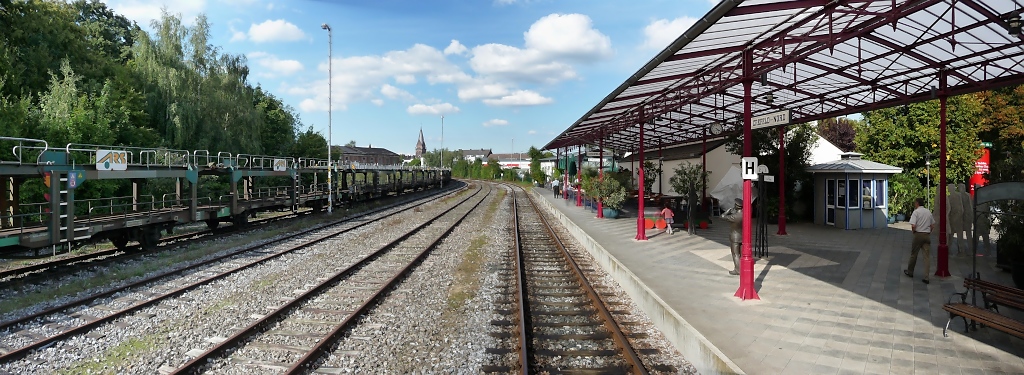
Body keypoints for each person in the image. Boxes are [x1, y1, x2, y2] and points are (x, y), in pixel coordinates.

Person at [905, 197, 934, 284]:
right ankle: (926, 277)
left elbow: (913, 225)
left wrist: (914, 232)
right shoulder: (928, 212)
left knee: (914, 254)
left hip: (918, 234)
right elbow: (932, 225)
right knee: (926, 257)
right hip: (926, 235)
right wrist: (928, 232)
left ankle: (910, 271)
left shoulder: (916, 212)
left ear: (917, 203)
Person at [721, 198, 743, 276]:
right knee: (741, 253)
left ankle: (737, 269)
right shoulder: (745, 214)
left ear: (736, 206)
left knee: (735, 254)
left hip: (735, 237)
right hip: (743, 236)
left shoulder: (734, 216)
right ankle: (742, 267)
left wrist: (727, 211)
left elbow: (722, 216)